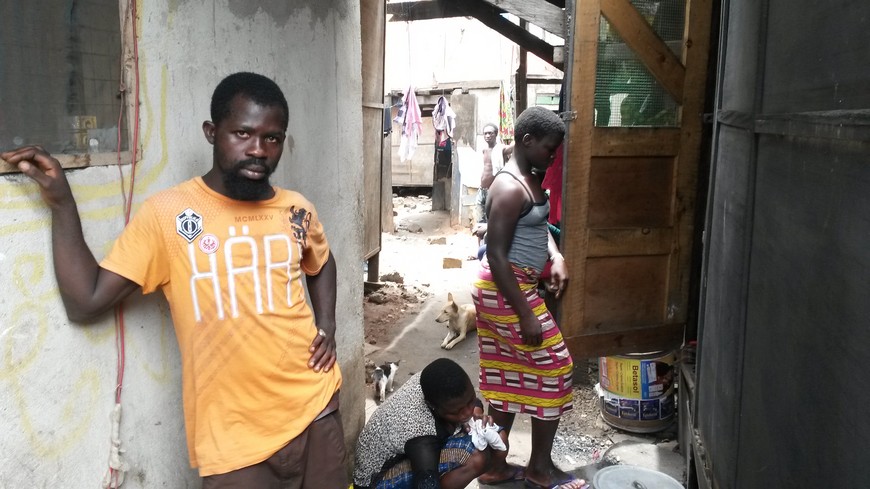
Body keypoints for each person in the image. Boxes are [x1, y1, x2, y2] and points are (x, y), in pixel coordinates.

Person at [1, 72, 346, 488]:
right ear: (211, 132)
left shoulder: (296, 210)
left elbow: (322, 262)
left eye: (273, 138)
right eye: (242, 133)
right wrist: (61, 203)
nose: (258, 150)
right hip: (232, 439)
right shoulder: (168, 216)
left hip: (315, 405)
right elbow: (86, 301)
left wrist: (326, 321)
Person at [472, 106, 585, 489]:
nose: (553, 157)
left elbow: (537, 228)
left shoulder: (529, 177)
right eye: (549, 149)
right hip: (507, 289)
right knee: (556, 366)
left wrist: (554, 256)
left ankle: (493, 465)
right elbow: (497, 254)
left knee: (508, 372)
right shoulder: (507, 188)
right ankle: (539, 467)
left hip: (513, 287)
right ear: (527, 141)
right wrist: (526, 314)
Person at [353, 358, 524, 489]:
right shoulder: (420, 434)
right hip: (375, 481)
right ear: (432, 406)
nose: (467, 413)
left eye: (470, 401)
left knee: (498, 438)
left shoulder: (434, 382)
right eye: (457, 411)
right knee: (476, 457)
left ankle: (491, 472)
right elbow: (427, 483)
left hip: (411, 449)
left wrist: (476, 413)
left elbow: (467, 404)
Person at [471, 123, 513, 245]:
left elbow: (515, 146)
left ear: (496, 134)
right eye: (485, 133)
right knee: (479, 220)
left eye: (491, 133)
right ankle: (479, 249)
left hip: (493, 191)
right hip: (481, 190)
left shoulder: (502, 149)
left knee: (492, 220)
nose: (488, 135)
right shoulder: (484, 150)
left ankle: (490, 250)